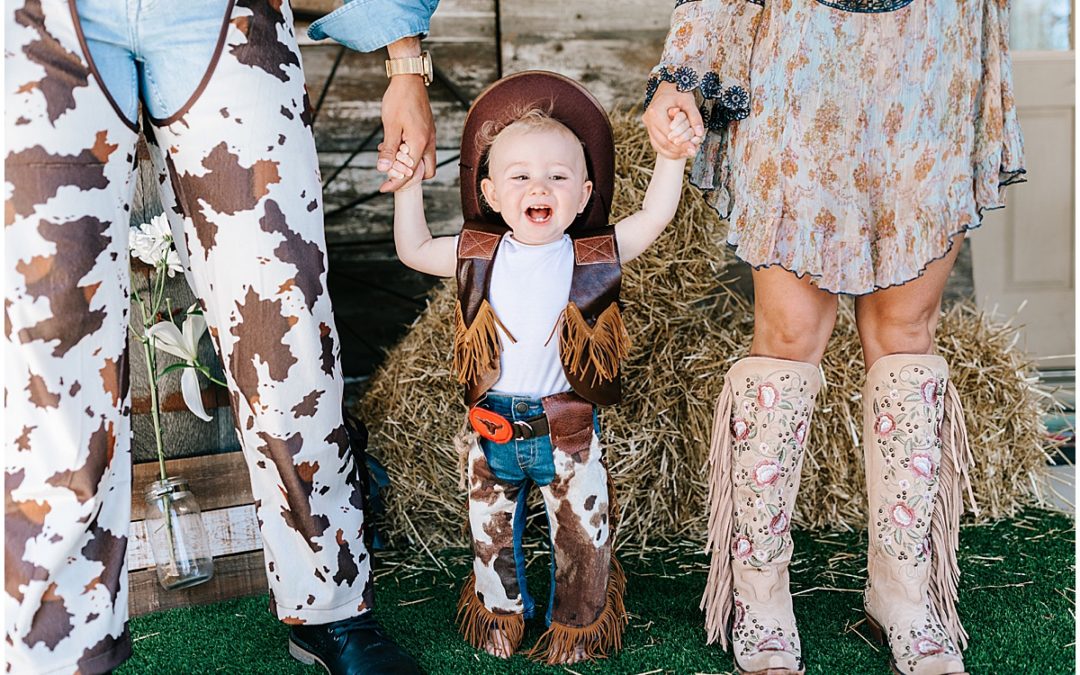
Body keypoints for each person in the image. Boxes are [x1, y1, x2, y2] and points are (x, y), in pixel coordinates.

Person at [4, 1, 439, 673]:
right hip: (46, 20)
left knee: (283, 316)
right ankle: (56, 648)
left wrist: (405, 58)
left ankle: (330, 605)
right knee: (52, 336)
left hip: (223, 12)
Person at [642, 2, 1025, 674]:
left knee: (906, 333)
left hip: (931, 50)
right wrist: (684, 69)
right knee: (788, 335)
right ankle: (759, 597)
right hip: (802, 52)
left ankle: (902, 595)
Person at [390, 71, 699, 665]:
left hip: (567, 431)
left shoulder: (591, 254)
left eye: (558, 177)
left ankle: (577, 627)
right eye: (521, 176)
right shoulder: (480, 253)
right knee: (489, 533)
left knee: (583, 535)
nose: (541, 187)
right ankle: (499, 616)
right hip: (493, 428)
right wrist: (408, 188)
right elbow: (412, 249)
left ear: (583, 195)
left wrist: (669, 159)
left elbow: (654, 218)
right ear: (491, 193)